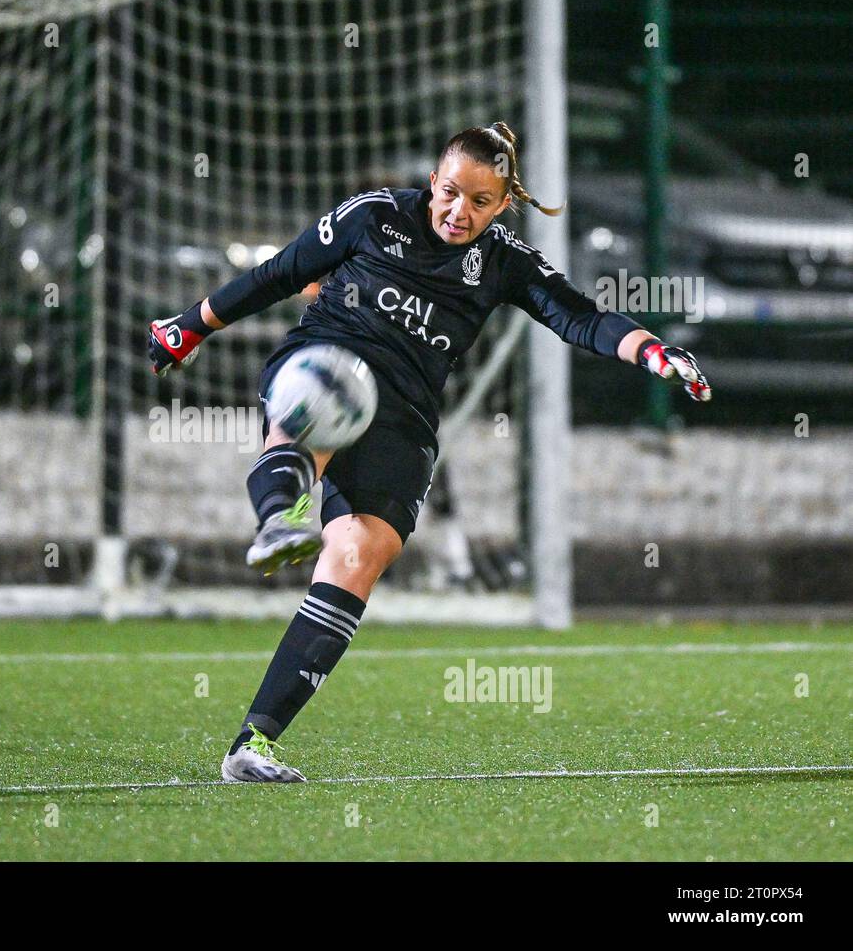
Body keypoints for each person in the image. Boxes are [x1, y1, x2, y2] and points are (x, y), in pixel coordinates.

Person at [147, 122, 711, 783]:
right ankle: (278, 519)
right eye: (449, 192)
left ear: (503, 204)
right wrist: (191, 325)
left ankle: (252, 744)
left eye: (478, 200)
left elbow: (580, 316)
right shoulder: (375, 214)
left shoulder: (505, 261)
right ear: (433, 180)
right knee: (313, 409)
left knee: (361, 554)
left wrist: (652, 351)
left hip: (405, 414)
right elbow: (280, 273)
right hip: (329, 355)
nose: (457, 211)